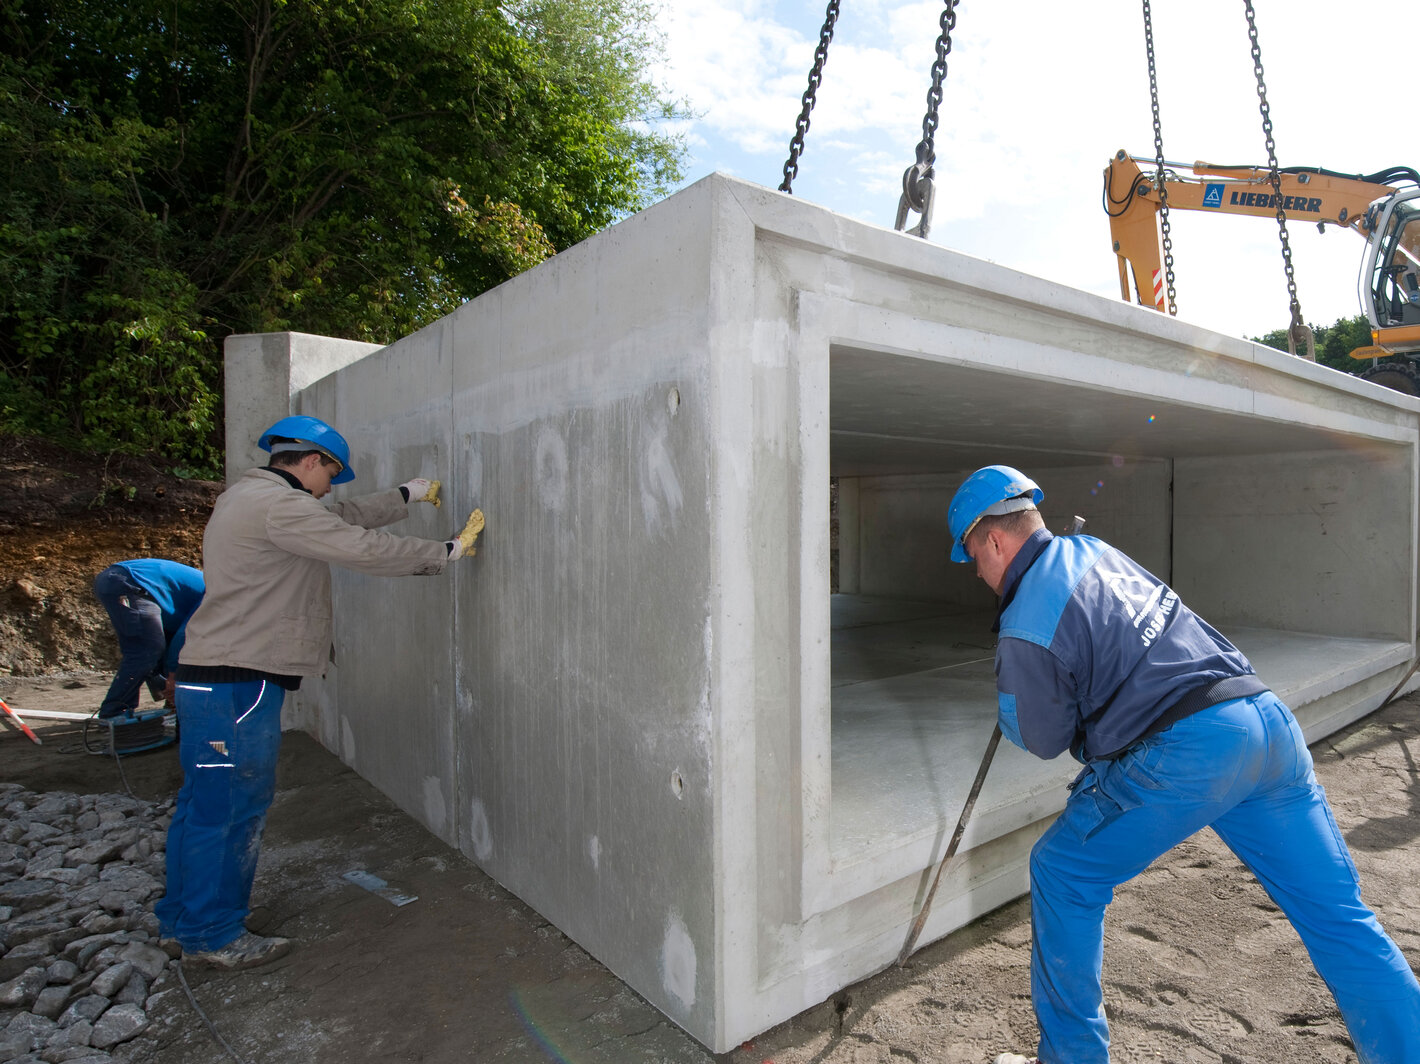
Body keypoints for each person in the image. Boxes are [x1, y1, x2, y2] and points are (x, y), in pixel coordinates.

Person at [942, 465, 1420, 1064]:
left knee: (1063, 871)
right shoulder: (1093, 550)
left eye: (974, 559)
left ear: (992, 540)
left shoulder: (1025, 622)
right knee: (1339, 918)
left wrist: (1015, 690)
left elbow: (1041, 736)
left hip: (1191, 754)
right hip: (1265, 724)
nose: (981, 576)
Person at [154, 414, 484, 972]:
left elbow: (332, 518)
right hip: (239, 684)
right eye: (332, 472)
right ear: (310, 462)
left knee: (203, 806)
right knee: (233, 808)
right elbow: (354, 544)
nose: (333, 484)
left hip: (213, 679)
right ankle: (213, 935)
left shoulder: (251, 499)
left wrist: (404, 495)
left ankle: (183, 922)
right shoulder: (279, 507)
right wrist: (444, 552)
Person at [92, 559, 205, 719]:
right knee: (146, 649)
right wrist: (173, 676)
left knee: (160, 646)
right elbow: (186, 633)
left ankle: (171, 701)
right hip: (129, 583)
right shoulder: (219, 597)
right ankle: (114, 712)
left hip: (129, 582)